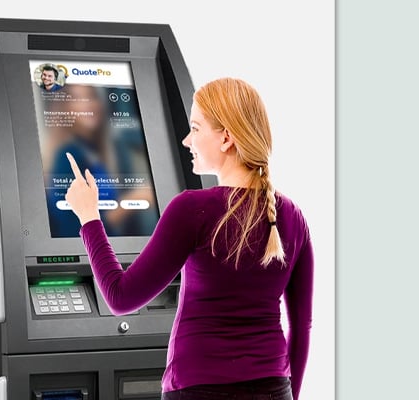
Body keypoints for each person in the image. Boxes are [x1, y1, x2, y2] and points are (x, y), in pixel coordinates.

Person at [64, 77, 313, 400]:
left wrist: (89, 218)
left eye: (195, 129)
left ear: (226, 138)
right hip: (273, 389)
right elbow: (302, 327)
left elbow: (120, 297)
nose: (186, 141)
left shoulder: (193, 209)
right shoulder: (292, 217)